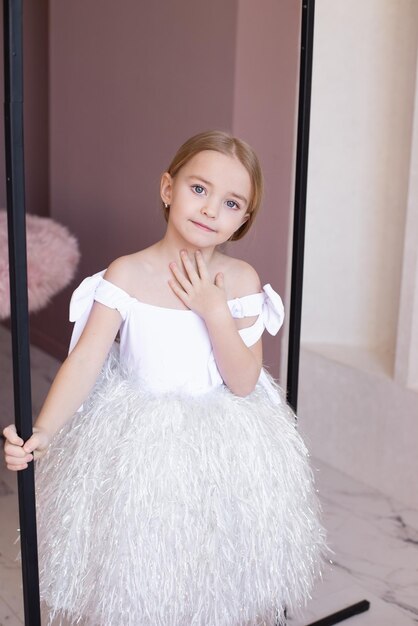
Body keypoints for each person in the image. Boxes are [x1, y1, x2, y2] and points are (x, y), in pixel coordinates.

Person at [3, 130, 326, 626]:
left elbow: (243, 383)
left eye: (231, 202)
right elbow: (86, 360)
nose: (211, 209)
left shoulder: (238, 282)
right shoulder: (127, 274)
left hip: (219, 454)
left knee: (209, 568)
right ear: (168, 188)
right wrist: (44, 430)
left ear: (242, 220)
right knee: (139, 565)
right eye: (199, 189)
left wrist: (213, 311)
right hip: (138, 449)